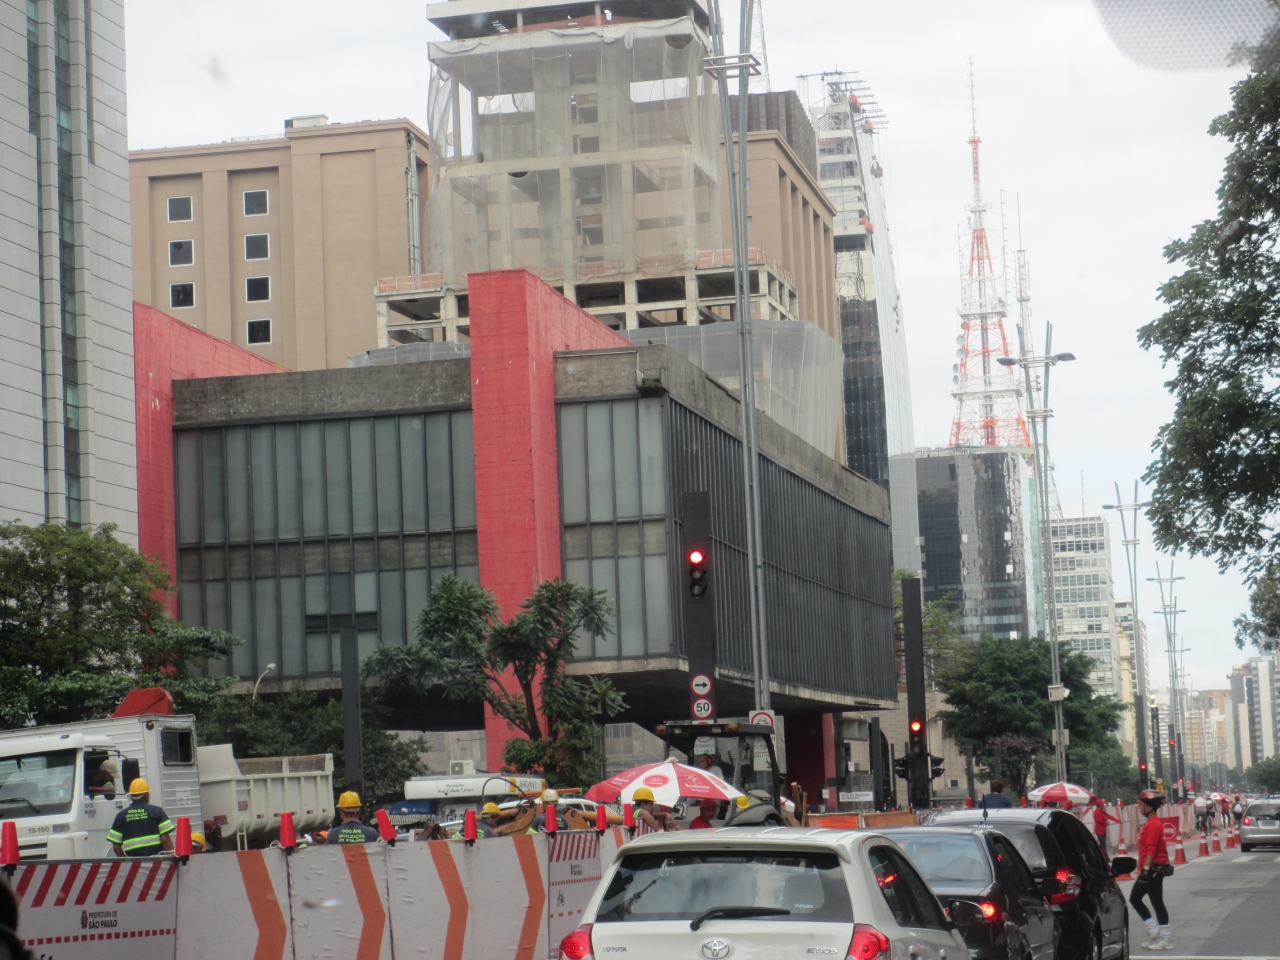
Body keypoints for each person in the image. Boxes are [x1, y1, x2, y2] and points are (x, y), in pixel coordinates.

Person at [1131, 788, 1173, 951]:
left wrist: (1146, 870)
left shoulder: (1153, 825)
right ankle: (1157, 934)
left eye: (1142, 804)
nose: (1140, 807)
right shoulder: (1150, 824)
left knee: (1137, 899)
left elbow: (1151, 849)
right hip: (1152, 868)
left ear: (1149, 806)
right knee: (1154, 901)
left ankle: (1162, 936)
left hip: (1153, 869)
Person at [107, 779, 175, 857]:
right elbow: (165, 840)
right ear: (146, 796)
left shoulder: (121, 816)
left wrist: (126, 862)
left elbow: (116, 847)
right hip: (156, 861)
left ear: (132, 797)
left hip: (134, 862)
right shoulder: (157, 811)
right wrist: (172, 858)